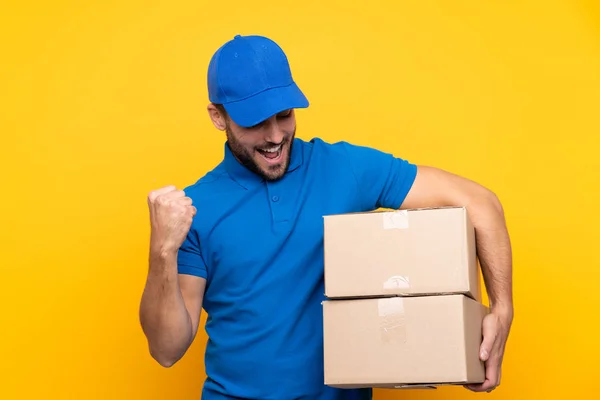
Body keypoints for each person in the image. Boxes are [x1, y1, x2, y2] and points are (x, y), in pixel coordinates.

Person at [139, 34, 514, 400]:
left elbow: (481, 203)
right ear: (217, 117)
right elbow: (166, 349)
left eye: (284, 115)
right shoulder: (196, 207)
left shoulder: (346, 168)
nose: (274, 136)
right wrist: (162, 251)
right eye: (254, 122)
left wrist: (502, 308)